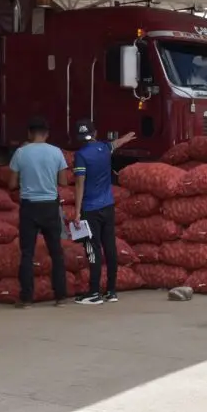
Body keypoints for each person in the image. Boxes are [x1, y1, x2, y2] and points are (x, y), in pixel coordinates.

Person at [70, 119, 136, 305]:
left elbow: (79, 183)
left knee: (93, 250)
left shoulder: (80, 155)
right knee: (110, 248)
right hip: (108, 206)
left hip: (90, 209)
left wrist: (76, 212)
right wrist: (126, 138)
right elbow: (115, 144)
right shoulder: (104, 149)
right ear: (96, 133)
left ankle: (93, 293)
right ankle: (111, 291)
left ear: (79, 137)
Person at [8, 116, 68, 308]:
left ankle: (26, 299)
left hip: (29, 206)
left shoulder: (20, 153)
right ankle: (60, 296)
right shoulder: (57, 152)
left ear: (29, 133)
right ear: (47, 134)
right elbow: (64, 182)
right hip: (50, 205)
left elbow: (11, 184)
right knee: (56, 252)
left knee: (27, 253)